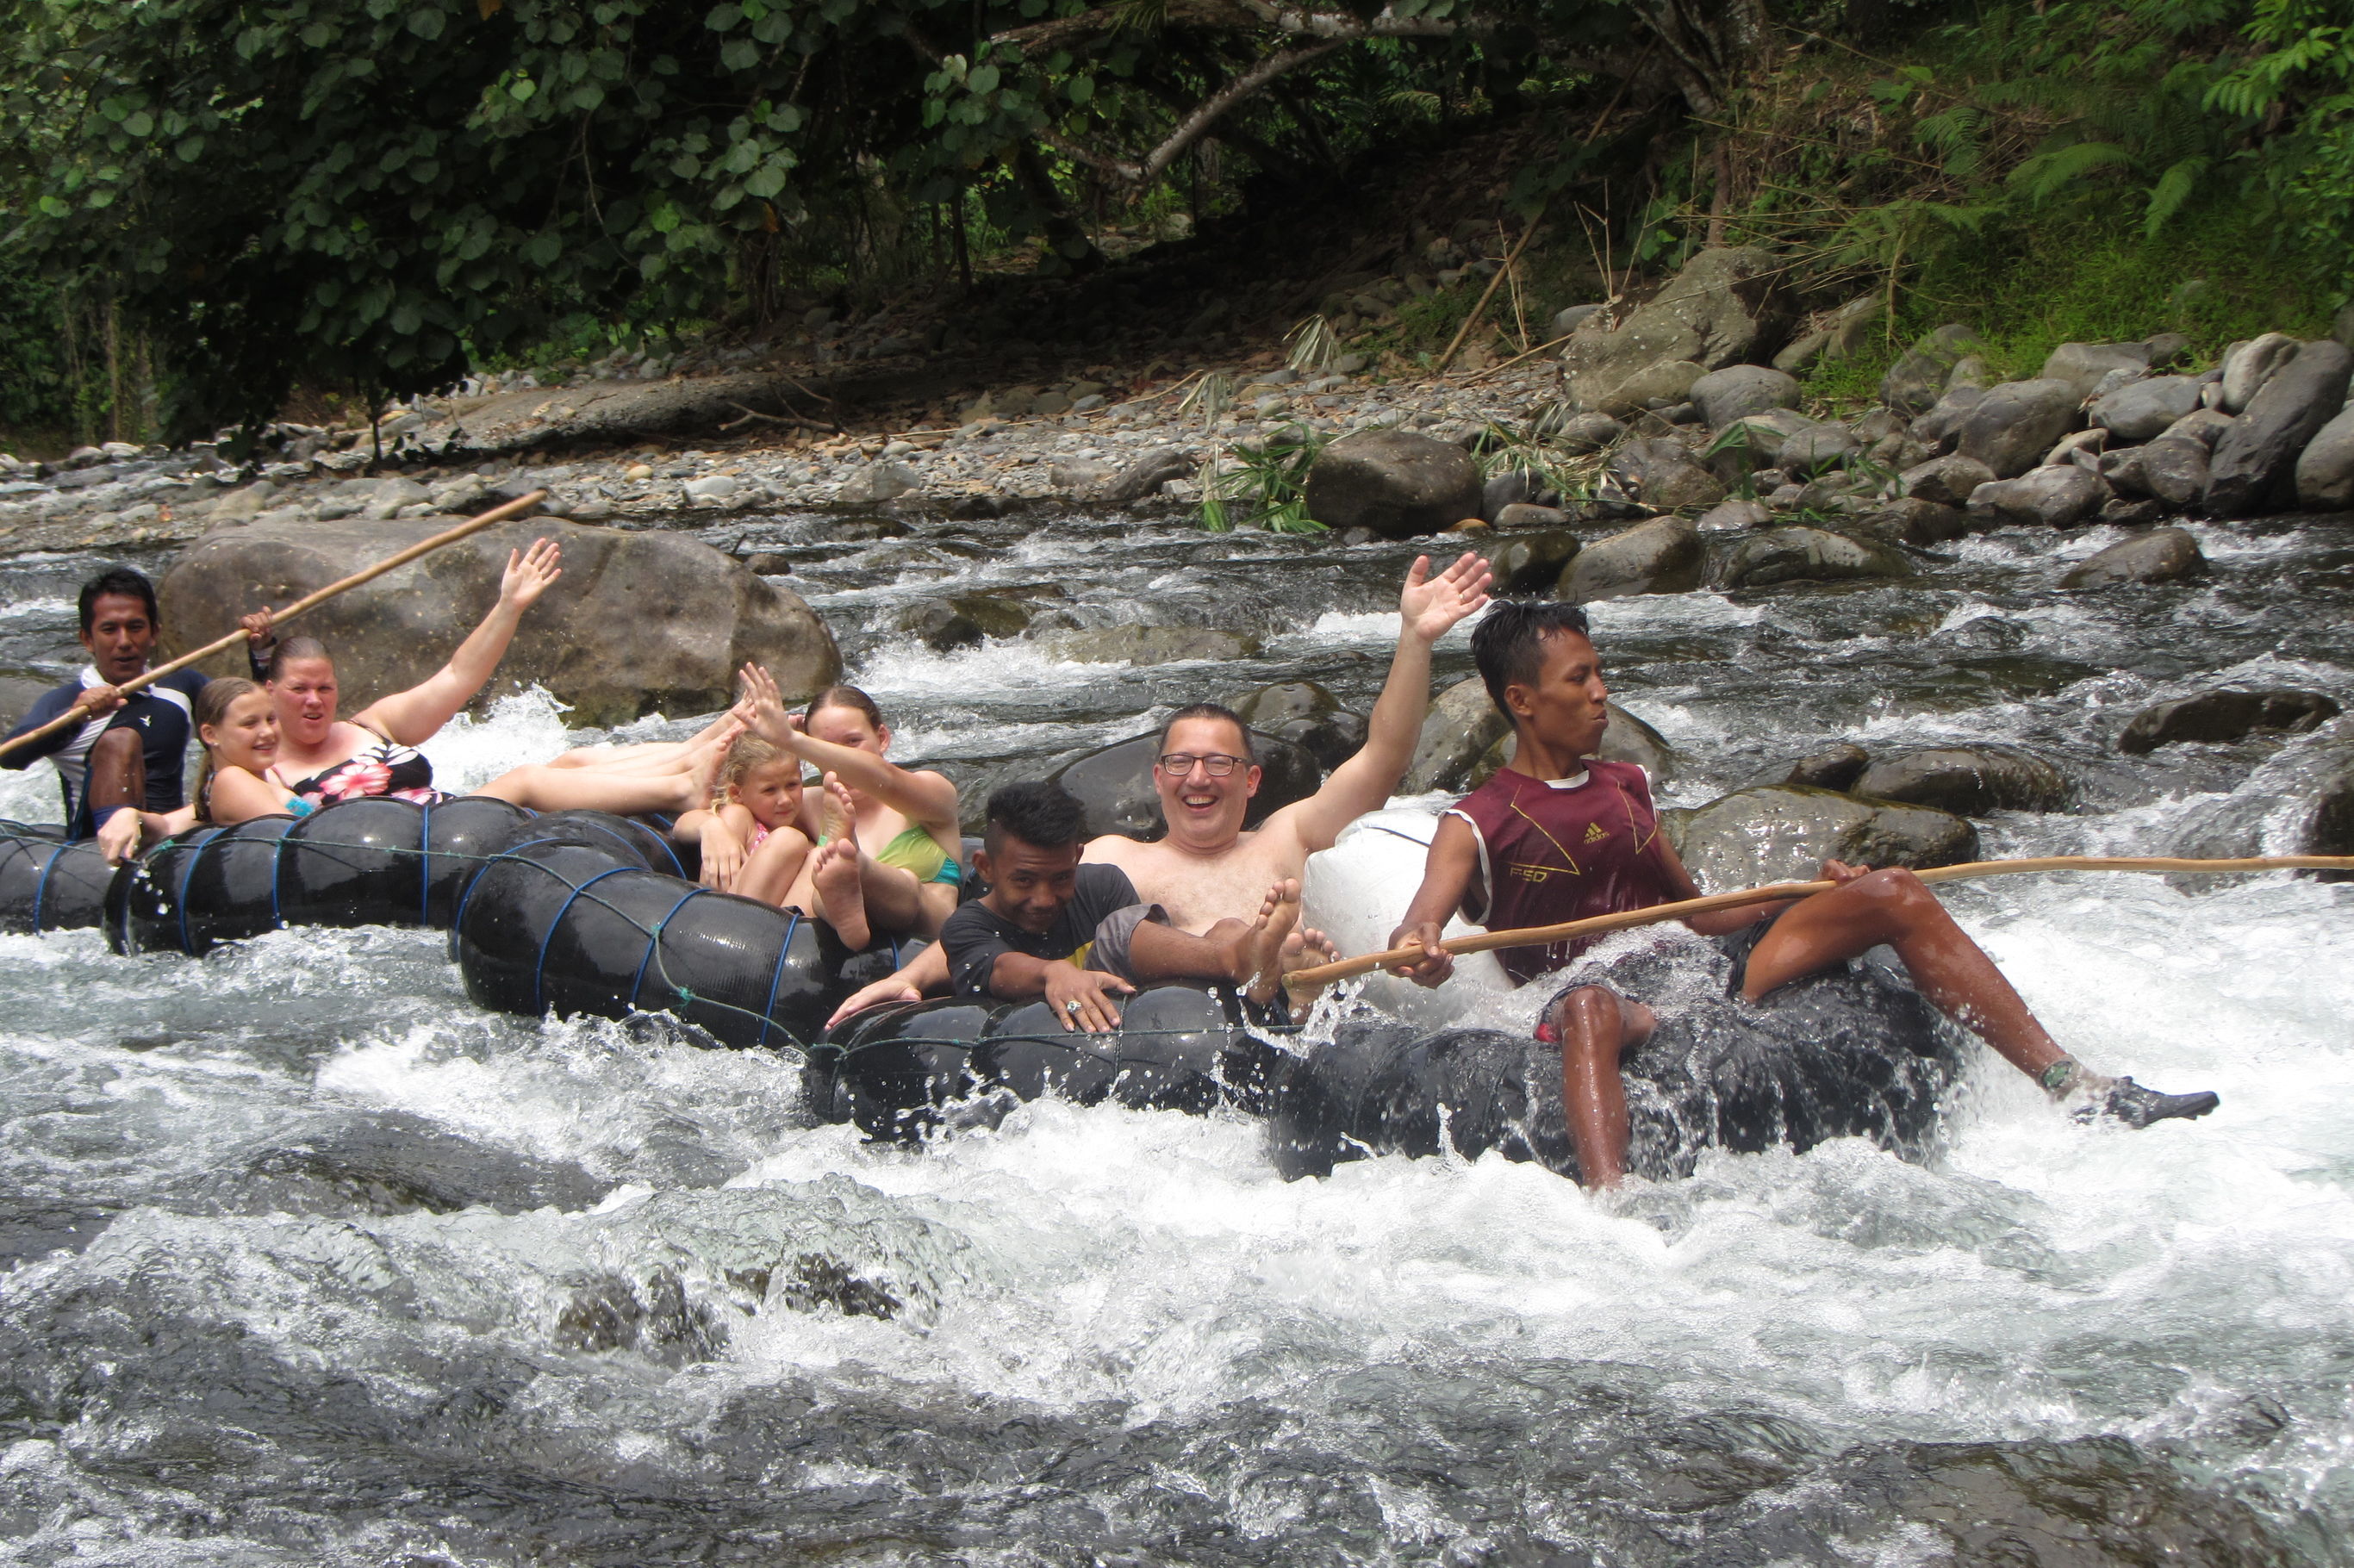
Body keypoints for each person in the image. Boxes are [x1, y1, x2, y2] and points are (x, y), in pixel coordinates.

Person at [1384, 599, 2221, 1189]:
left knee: (1892, 890)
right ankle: (1613, 1205)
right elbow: (1420, 921)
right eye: (1579, 679)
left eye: (1600, 672)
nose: (1601, 692)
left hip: (1692, 967)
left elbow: (1698, 912)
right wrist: (1419, 947)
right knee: (1593, 1007)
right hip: (1581, 996)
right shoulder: (1475, 821)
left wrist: (1797, 899)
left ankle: (2078, 1087)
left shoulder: (1626, 781)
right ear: (1522, 700)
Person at [825, 551, 1492, 1023]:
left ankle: (1272, 963)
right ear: (1157, 778)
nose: (1198, 777)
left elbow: (1385, 756)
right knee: (1212, 931)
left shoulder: (1291, 834)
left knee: (1268, 944)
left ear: (1253, 779)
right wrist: (908, 978)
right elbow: (1001, 914)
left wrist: (1415, 638)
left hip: (1300, 1014)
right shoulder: (1117, 858)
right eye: (1180, 763)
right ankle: (1255, 957)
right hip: (1179, 1025)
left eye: (1219, 764)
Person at [937, 780, 1332, 1031]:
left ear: (1076, 857)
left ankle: (1275, 988)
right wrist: (1053, 974)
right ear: (986, 868)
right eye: (1023, 880)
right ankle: (1240, 960)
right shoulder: (967, 926)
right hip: (1035, 1043)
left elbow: (1151, 958)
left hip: (1133, 1022)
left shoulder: (1100, 885)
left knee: (1223, 928)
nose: (1043, 898)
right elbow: (1002, 968)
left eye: (1061, 878)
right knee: (1118, 930)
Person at [241, 538, 564, 805]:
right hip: (398, 856)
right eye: (300, 690)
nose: (314, 700)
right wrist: (262, 651)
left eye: (324, 688)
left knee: (572, 762)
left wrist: (509, 607)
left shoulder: (375, 723)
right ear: (271, 691)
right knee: (527, 780)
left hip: (452, 818)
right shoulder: (263, 774)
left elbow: (458, 675)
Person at [2, 567, 254, 838]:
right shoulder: (65, 702)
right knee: (121, 740)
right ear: (87, 639)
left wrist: (260, 652)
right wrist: (76, 717)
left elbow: (251, 719)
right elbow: (11, 757)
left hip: (172, 837)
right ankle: (120, 846)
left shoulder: (180, 684)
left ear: (154, 633)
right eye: (109, 630)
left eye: (135, 628)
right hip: (93, 848)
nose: (124, 642)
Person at [725, 667, 964, 939]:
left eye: (852, 742)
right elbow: (735, 799)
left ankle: (858, 867)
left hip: (924, 925)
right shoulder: (811, 802)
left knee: (906, 884)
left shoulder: (931, 791)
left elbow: (885, 778)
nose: (839, 757)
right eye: (826, 747)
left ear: (882, 738)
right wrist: (717, 831)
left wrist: (791, 740)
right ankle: (840, 894)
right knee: (813, 858)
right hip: (839, 932)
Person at [670, 731, 877, 944]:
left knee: (818, 857)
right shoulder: (738, 817)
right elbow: (682, 825)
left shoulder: (800, 827)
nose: (785, 800)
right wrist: (711, 827)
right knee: (790, 840)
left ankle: (842, 918)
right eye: (770, 790)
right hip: (727, 923)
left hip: (783, 930)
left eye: (793, 785)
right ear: (736, 793)